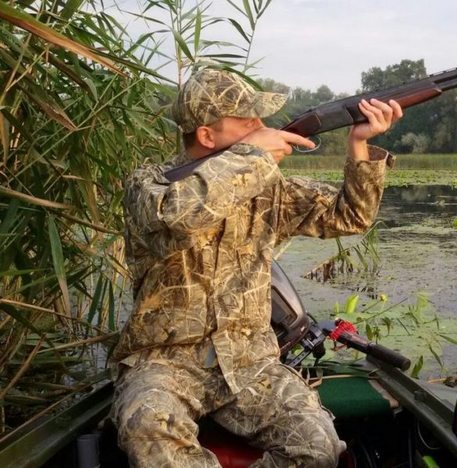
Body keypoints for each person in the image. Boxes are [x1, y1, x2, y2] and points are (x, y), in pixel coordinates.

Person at [110, 67, 403, 467]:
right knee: (146, 427)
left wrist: (359, 145)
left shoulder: (268, 188)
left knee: (318, 448)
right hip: (163, 363)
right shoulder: (150, 185)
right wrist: (254, 156)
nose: (262, 128)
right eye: (248, 121)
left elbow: (350, 216)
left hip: (250, 363)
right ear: (207, 135)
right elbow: (180, 216)